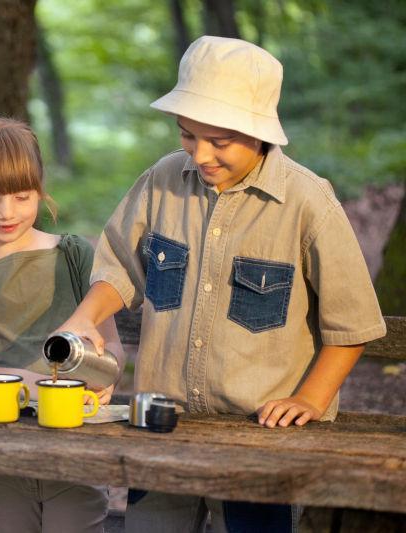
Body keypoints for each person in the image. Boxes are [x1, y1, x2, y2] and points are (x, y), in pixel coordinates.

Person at [58, 35, 387, 533]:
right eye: (188, 135)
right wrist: (86, 316)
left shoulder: (308, 203)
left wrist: (312, 400)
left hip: (256, 439)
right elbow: (120, 267)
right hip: (161, 424)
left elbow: (354, 322)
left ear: (260, 133)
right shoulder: (161, 180)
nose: (200, 155)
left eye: (220, 141)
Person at [0, 115, 124, 533]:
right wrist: (25, 382)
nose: (6, 213)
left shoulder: (72, 255)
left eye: (21, 196)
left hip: (74, 444)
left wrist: (107, 374)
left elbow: (109, 344)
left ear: (39, 189)